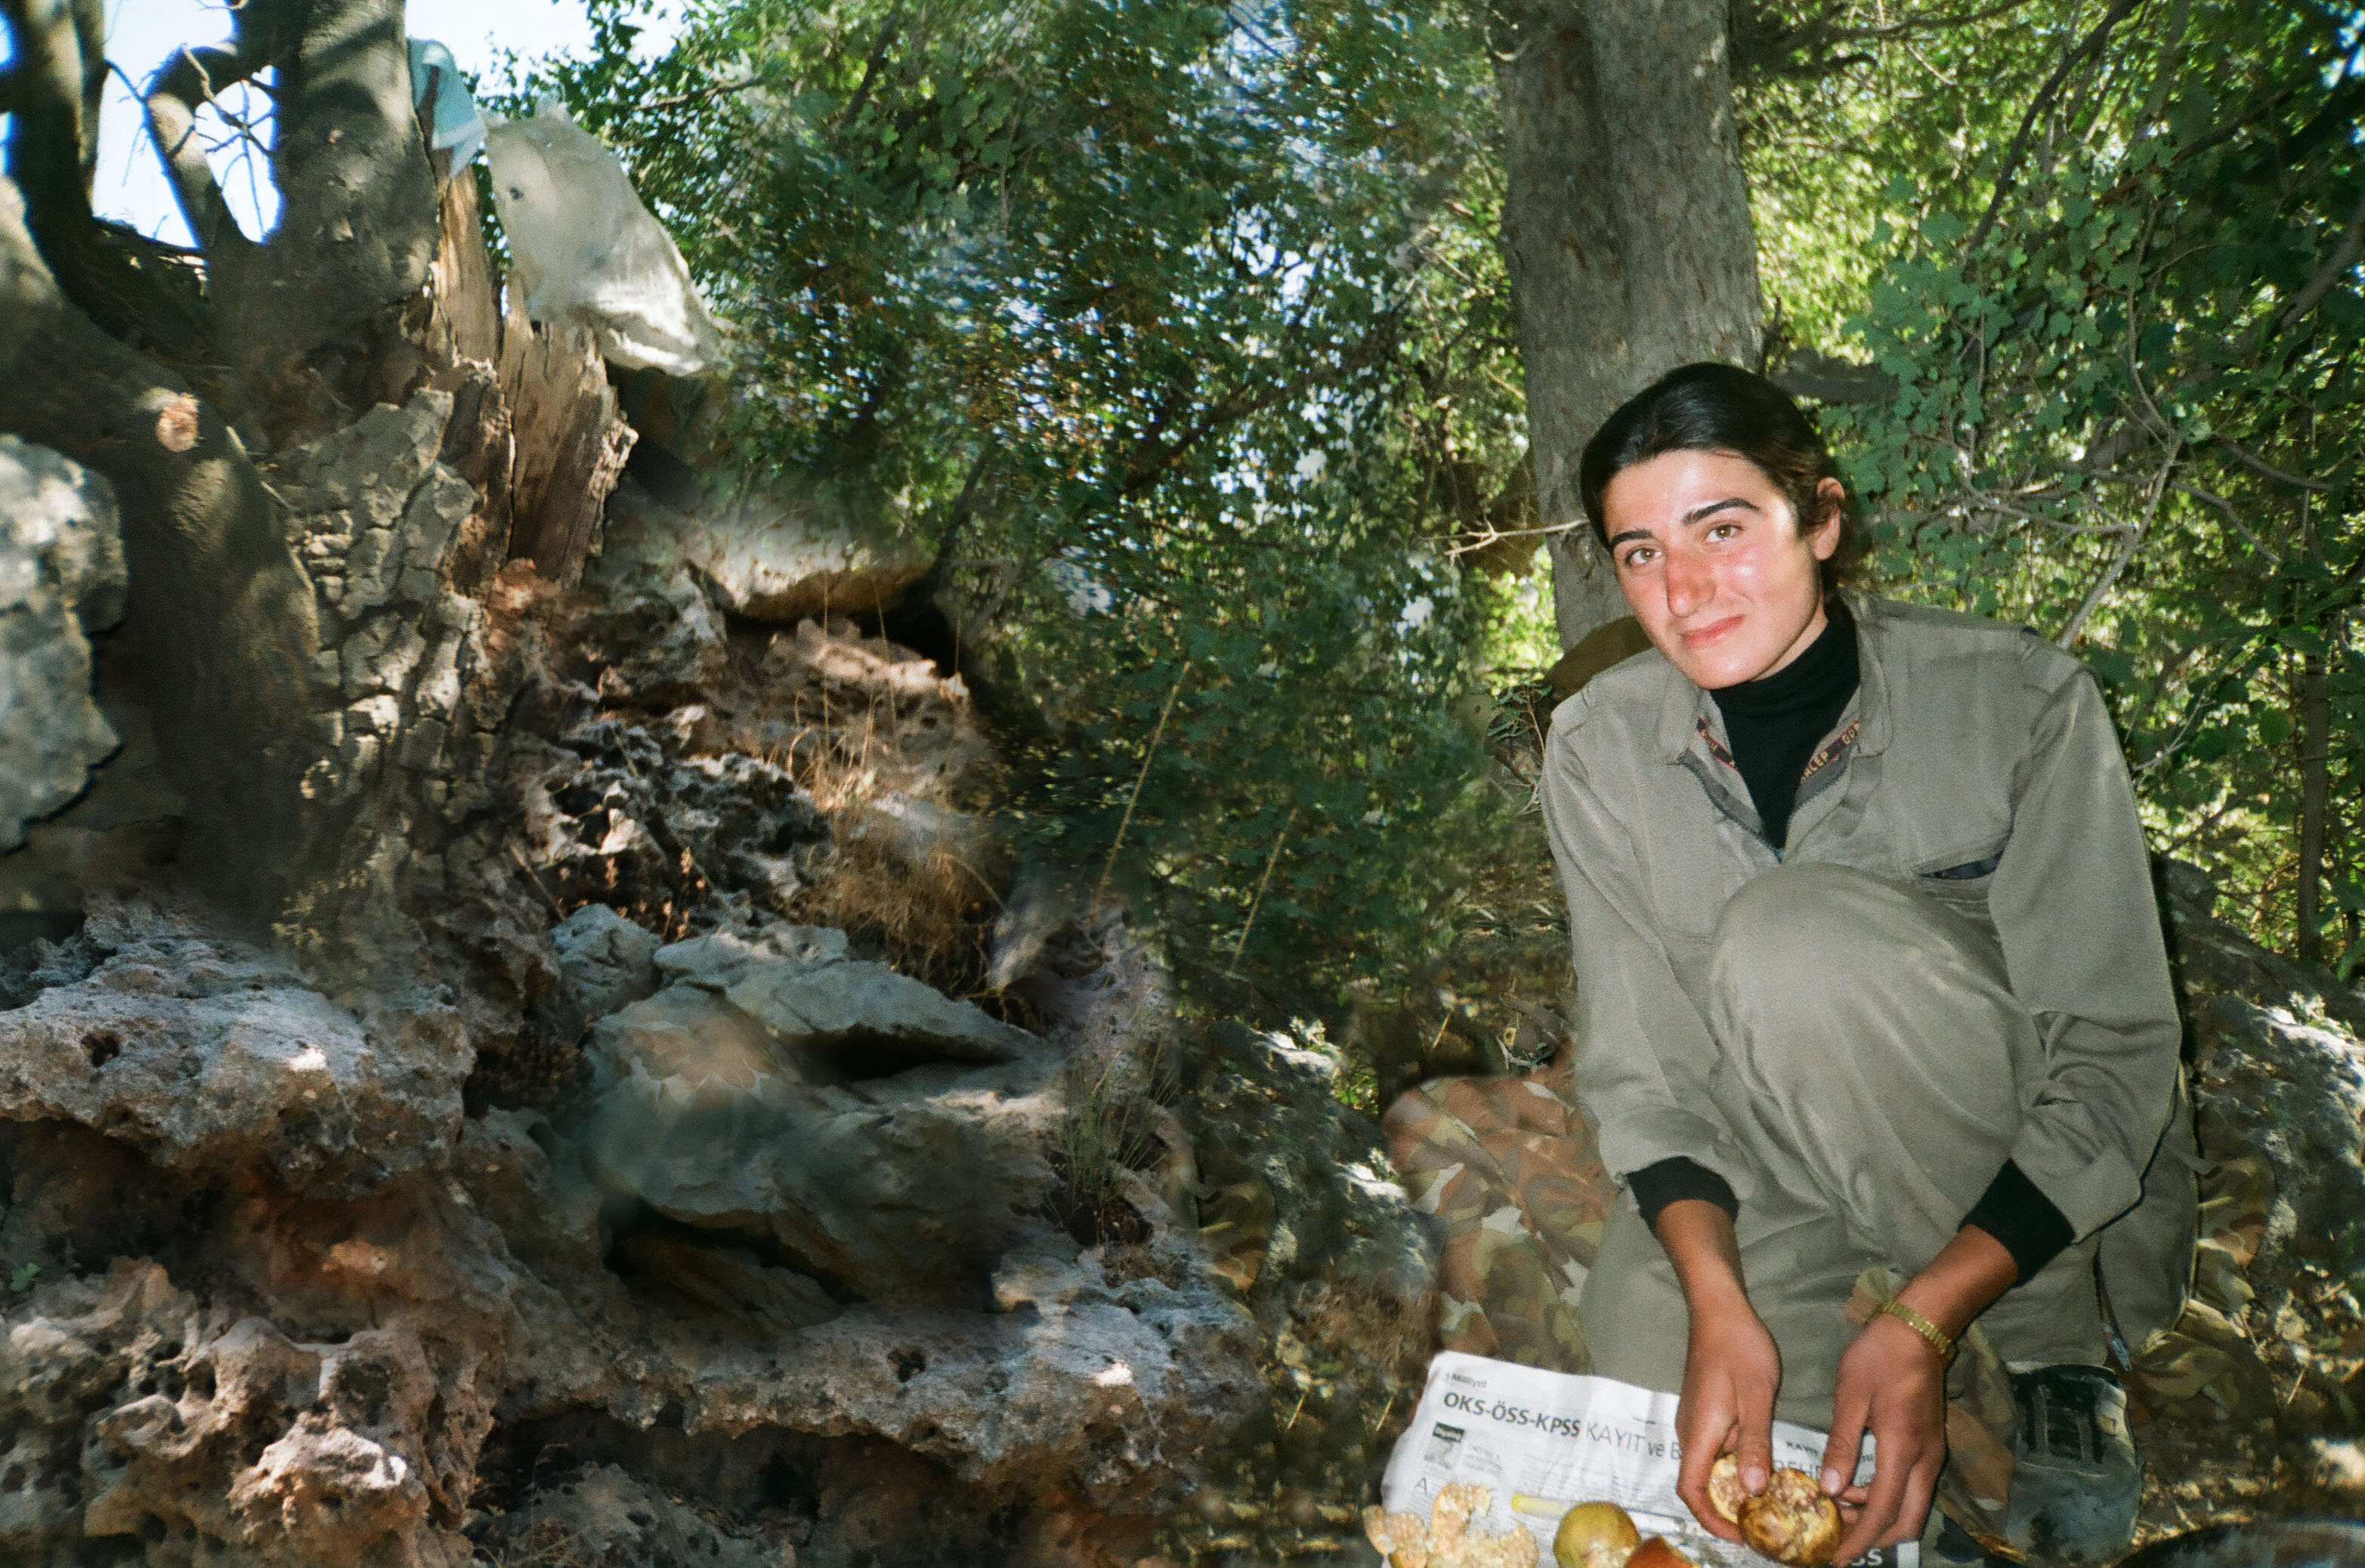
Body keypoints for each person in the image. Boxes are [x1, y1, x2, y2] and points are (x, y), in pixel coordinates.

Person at [1538, 363, 2196, 1564]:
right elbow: (1646, 1073)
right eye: (1639, 553)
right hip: (1774, 1148)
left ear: (1821, 520)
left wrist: (1921, 1318)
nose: (1682, 591)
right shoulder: (1595, 749)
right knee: (1650, 1361)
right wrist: (1716, 1300)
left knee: (1792, 945)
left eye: (1722, 530)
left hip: (2003, 1154)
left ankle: (2052, 1358)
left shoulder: (2018, 702)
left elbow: (2113, 1058)